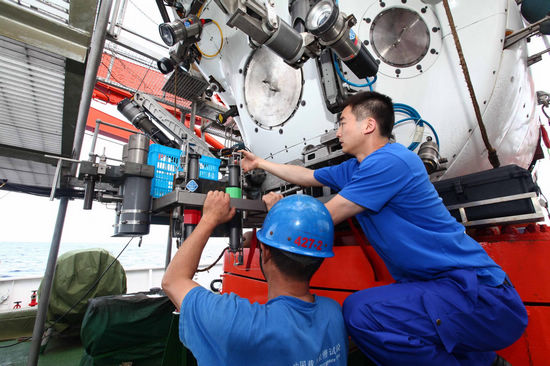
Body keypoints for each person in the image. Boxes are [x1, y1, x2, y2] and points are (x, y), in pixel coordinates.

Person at [240, 91, 528, 366]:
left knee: (361, 313)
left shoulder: (390, 162)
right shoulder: (357, 168)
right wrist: (261, 163)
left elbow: (323, 218)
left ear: (368, 125)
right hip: (445, 289)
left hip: (480, 296)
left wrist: (278, 211)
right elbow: (307, 175)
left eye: (342, 123)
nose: (337, 132)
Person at [162, 191, 348, 366]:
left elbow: (173, 280)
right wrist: (279, 218)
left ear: (265, 253)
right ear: (320, 259)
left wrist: (209, 218)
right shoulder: (334, 313)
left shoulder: (236, 322)